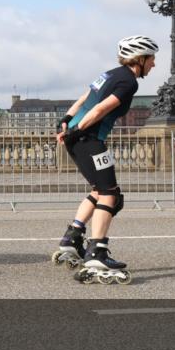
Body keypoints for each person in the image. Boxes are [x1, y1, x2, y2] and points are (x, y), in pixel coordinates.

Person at [53, 35, 158, 284]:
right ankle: (97, 252)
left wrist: (66, 120)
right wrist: (79, 130)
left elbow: (84, 98)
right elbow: (100, 109)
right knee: (111, 195)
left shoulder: (110, 74)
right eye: (152, 59)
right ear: (139, 59)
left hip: (79, 139)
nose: (154, 64)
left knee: (100, 191)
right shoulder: (129, 82)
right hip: (88, 140)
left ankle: (73, 236)